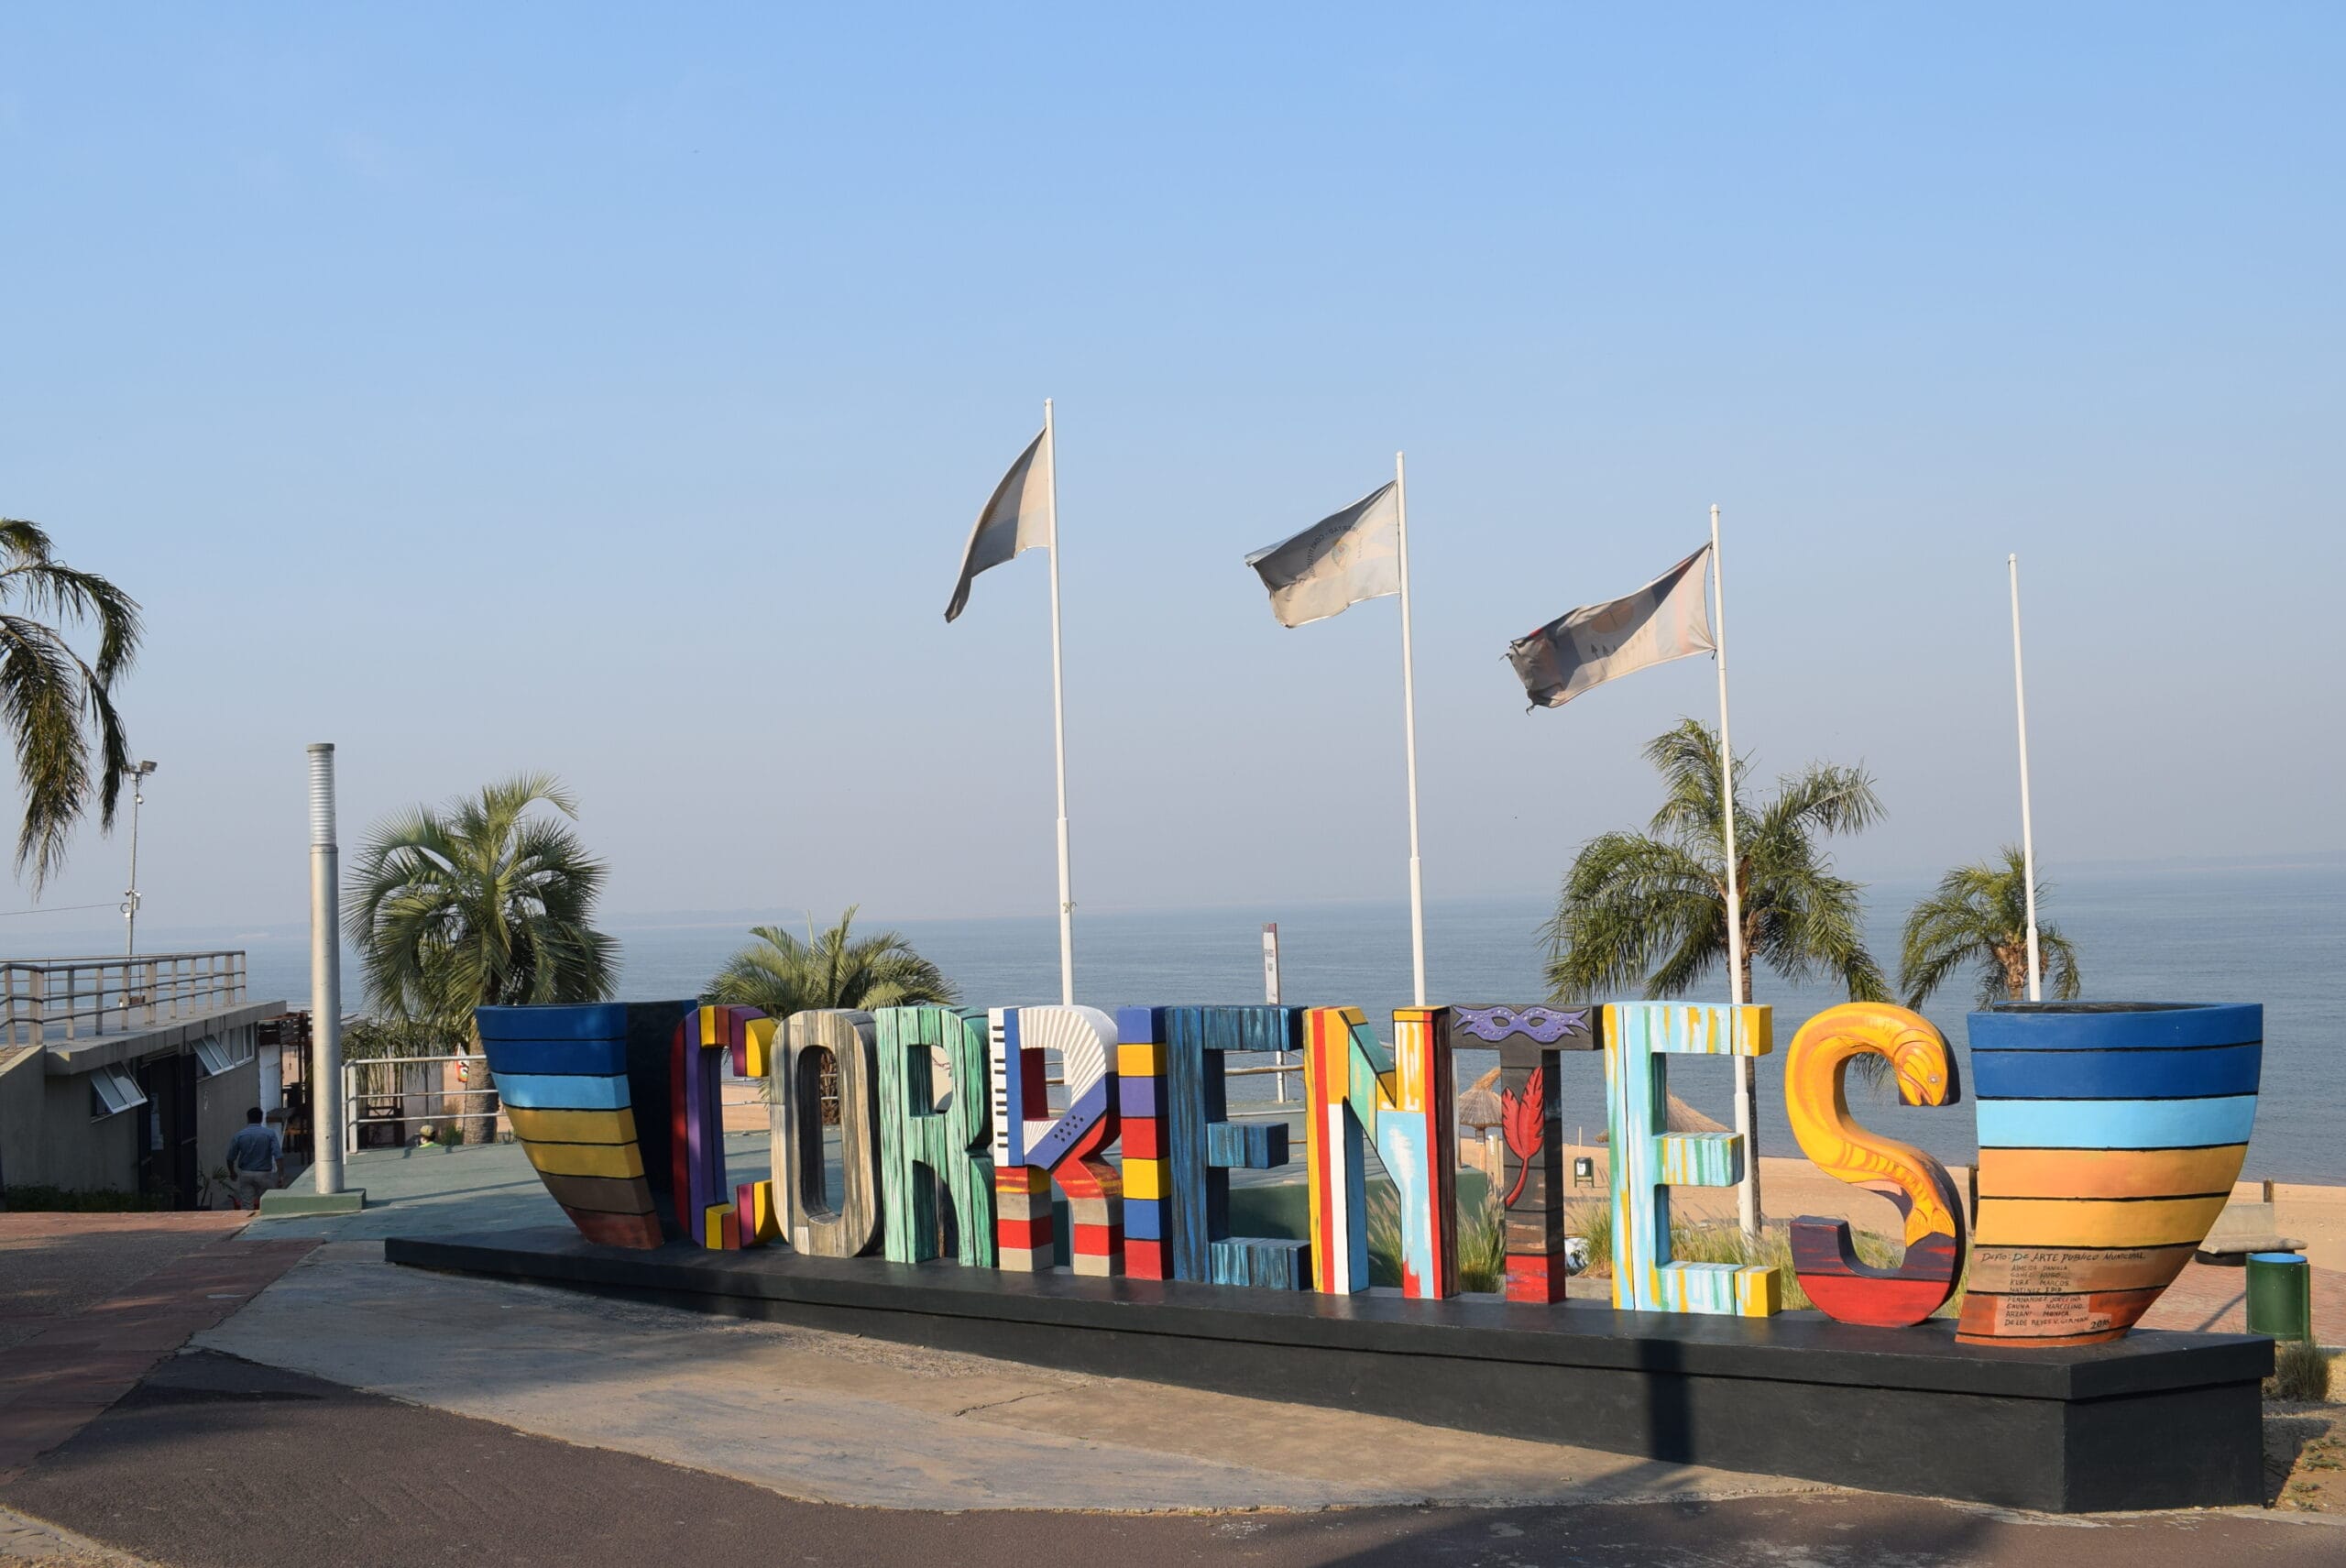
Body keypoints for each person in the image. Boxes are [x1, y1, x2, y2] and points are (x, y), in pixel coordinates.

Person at [225, 1106, 281, 1210]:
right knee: (268, 1204)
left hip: (246, 1173)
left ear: (248, 1119)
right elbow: (278, 1156)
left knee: (247, 1205)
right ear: (261, 1118)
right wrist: (281, 1175)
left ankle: (248, 1218)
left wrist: (232, 1172)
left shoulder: (240, 1135)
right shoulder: (269, 1134)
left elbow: (230, 1157)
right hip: (264, 1174)